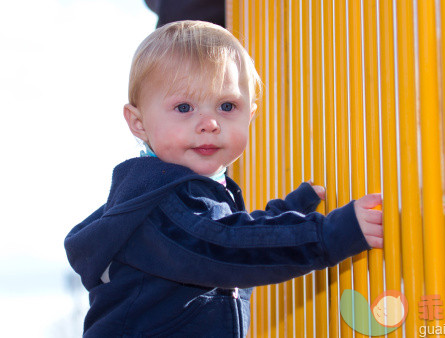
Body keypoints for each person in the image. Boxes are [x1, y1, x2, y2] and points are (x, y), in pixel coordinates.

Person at [64, 20, 383, 337]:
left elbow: (224, 235)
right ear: (139, 122)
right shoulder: (161, 202)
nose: (210, 122)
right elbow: (224, 246)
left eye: (227, 105)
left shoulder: (194, 192)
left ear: (251, 114)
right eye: (184, 107)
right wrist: (332, 234)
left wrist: (288, 209)